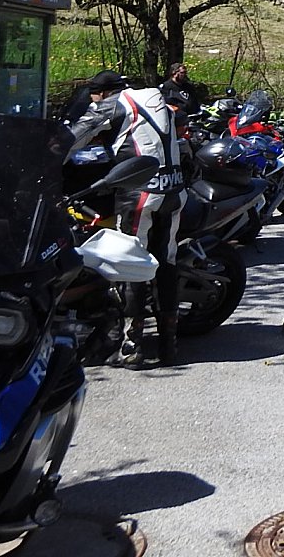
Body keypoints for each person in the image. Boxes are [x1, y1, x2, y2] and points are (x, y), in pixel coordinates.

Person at [67, 69, 187, 365]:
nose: (93, 100)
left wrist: (47, 154)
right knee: (167, 264)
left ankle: (131, 347)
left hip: (140, 195)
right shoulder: (155, 99)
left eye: (94, 95)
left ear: (103, 92)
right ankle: (169, 346)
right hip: (174, 190)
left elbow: (71, 139)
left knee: (129, 264)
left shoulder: (113, 104)